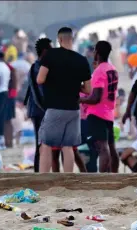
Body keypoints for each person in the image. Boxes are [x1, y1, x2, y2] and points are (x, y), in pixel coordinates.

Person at [36, 27, 91, 173]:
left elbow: (40, 79)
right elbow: (88, 90)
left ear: (59, 39)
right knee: (68, 146)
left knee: (46, 144)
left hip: (55, 108)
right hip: (73, 109)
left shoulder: (51, 55)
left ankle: (43, 179)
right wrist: (73, 85)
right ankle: (68, 179)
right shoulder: (82, 60)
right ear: (71, 39)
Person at [80, 41, 120, 173]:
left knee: (102, 149)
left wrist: (79, 99)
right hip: (109, 112)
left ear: (97, 52)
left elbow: (96, 97)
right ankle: (114, 176)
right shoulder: (112, 69)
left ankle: (103, 178)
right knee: (111, 147)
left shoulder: (99, 71)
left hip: (97, 114)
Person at [25, 37, 51, 172]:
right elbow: (39, 93)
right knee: (41, 143)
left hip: (37, 109)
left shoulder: (36, 66)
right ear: (45, 50)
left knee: (41, 143)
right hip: (39, 110)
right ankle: (38, 172)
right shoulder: (39, 67)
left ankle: (39, 171)